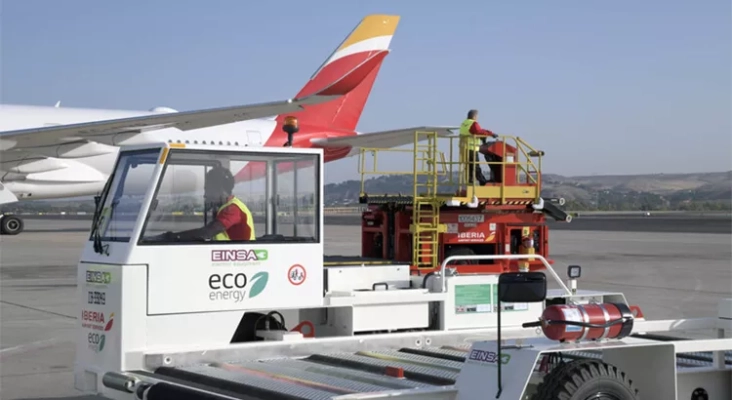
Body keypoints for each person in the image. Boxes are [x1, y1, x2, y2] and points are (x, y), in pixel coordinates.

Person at [159, 166, 256, 242]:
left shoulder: (232, 209)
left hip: (235, 260)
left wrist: (173, 237)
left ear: (219, 190)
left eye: (208, 190)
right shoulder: (225, 207)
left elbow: (207, 232)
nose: (205, 195)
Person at [459, 109, 498, 185]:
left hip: (464, 147)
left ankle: (470, 180)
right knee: (476, 166)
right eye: (477, 116)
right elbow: (479, 131)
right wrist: (491, 134)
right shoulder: (473, 123)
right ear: (474, 116)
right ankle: (482, 181)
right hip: (472, 148)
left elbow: (472, 132)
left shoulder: (464, 123)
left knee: (469, 165)